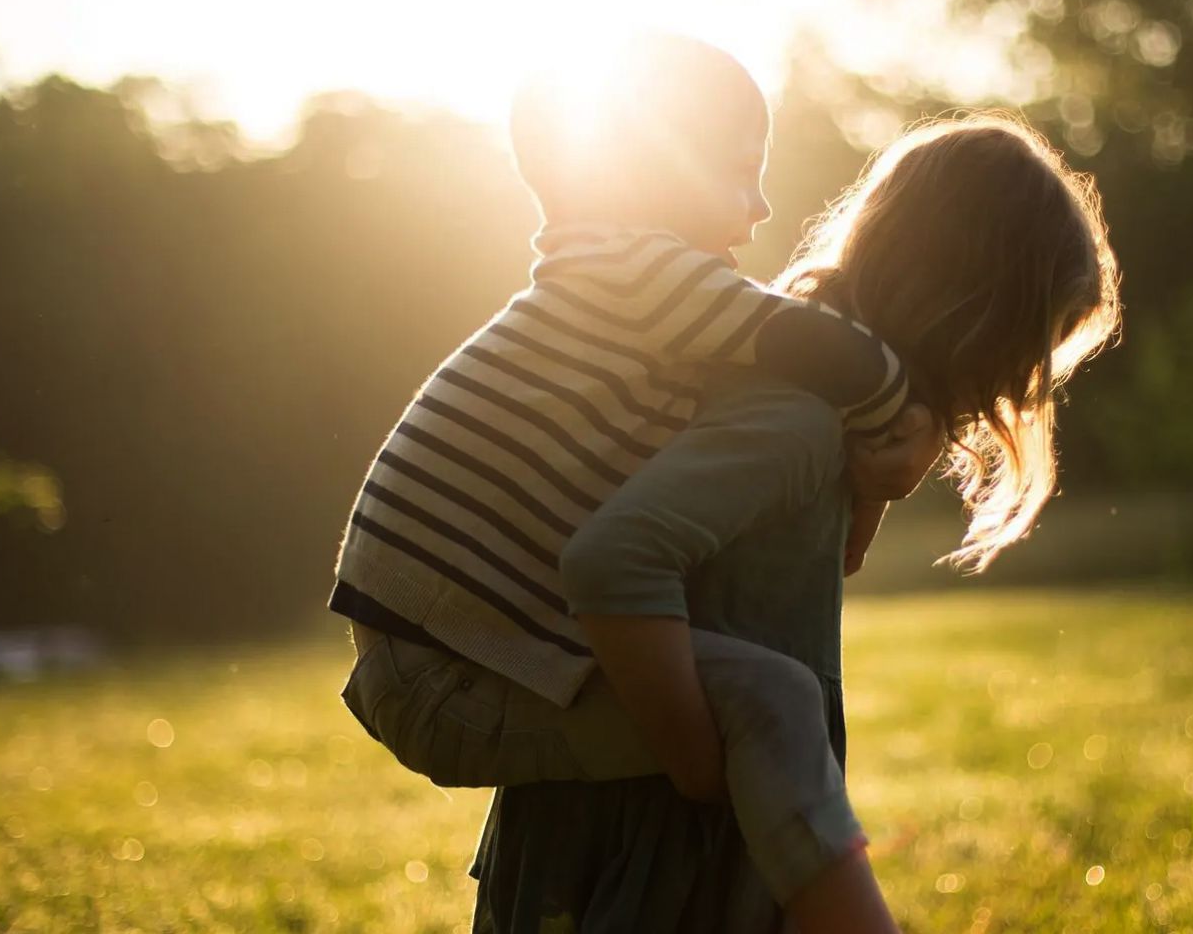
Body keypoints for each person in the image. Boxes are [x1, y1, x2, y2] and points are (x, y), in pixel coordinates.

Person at [331, 34, 944, 931]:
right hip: (445, 674)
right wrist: (904, 424)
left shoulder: (608, 284)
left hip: (438, 657)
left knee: (755, 696)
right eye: (741, 172)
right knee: (770, 700)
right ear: (655, 167)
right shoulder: (635, 273)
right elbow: (818, 349)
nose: (762, 205)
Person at [464, 113, 1124, 931]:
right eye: (1032, 346)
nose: (1019, 386)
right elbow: (614, 559)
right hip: (651, 842)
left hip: (686, 821)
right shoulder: (795, 420)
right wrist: (703, 765)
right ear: (973, 314)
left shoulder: (819, 409)